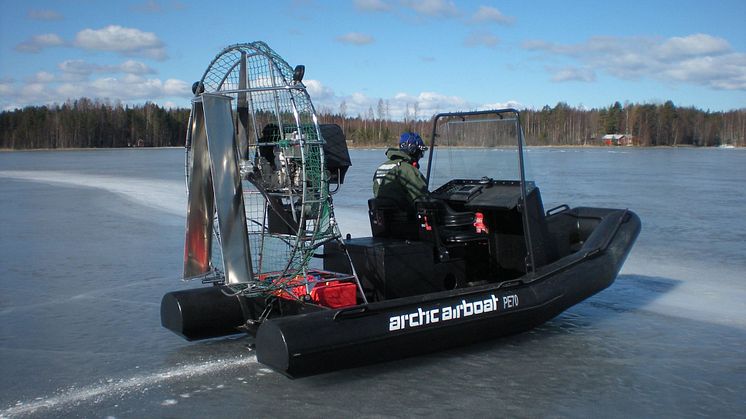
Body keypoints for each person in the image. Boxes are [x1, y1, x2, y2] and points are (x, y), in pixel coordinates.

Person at [372, 132, 429, 216]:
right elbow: (422, 197)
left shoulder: (381, 168)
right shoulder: (407, 169)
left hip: (385, 220)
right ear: (413, 150)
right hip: (405, 221)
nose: (420, 156)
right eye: (420, 153)